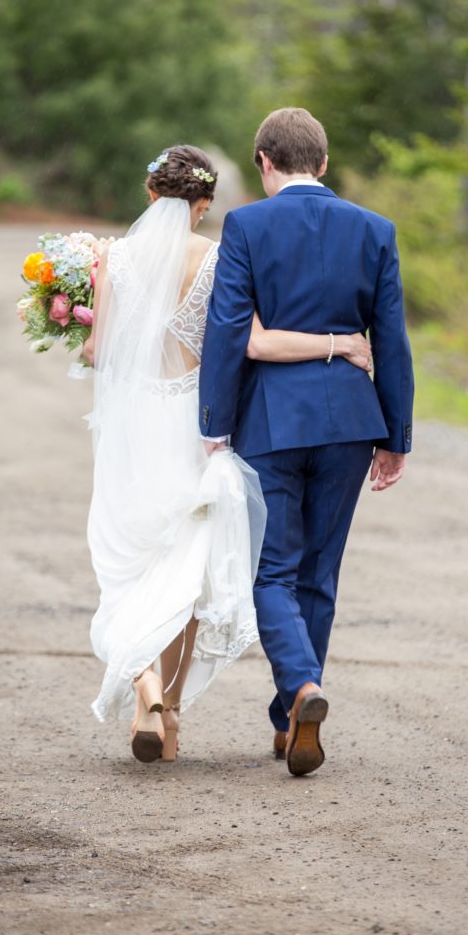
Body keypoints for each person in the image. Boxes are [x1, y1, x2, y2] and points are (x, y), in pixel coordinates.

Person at [82, 144, 374, 763]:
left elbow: (99, 354)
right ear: (205, 203)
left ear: (149, 193)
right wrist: (342, 344)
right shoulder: (216, 259)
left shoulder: (114, 259)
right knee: (184, 575)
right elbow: (255, 342)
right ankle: (174, 712)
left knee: (129, 568)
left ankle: (148, 691)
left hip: (133, 428)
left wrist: (74, 322)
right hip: (193, 425)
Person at [199, 109, 414, 777]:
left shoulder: (246, 225)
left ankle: (300, 691)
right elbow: (393, 342)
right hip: (351, 423)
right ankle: (290, 716)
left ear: (264, 161)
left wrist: (213, 423)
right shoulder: (375, 230)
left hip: (271, 425)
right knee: (319, 573)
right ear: (323, 163)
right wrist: (395, 433)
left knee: (272, 570)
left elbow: (229, 328)